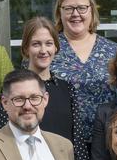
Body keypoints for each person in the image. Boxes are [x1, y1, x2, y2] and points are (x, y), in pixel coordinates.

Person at [51, 0, 117, 160]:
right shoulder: (48, 47)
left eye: (81, 8)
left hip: (106, 142)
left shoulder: (112, 50)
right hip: (62, 140)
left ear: (91, 11)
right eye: (69, 8)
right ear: (59, 12)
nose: (75, 14)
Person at [21, 17, 78, 146]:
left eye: (48, 43)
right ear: (26, 49)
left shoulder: (67, 89)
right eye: (36, 44)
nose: (43, 50)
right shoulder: (13, 89)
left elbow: (77, 139)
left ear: (56, 47)